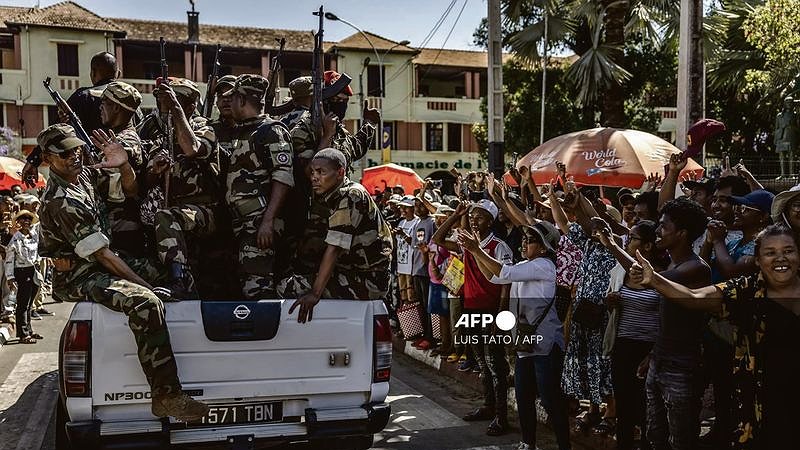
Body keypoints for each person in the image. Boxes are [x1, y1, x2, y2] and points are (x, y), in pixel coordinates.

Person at [35, 123, 208, 421]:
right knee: (145, 301)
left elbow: (129, 190)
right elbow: (103, 255)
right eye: (64, 154)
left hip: (99, 261)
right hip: (79, 274)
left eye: (76, 148)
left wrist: (125, 164)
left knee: (170, 271)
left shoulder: (84, 175)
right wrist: (145, 286)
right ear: (48, 159)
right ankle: (166, 395)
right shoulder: (61, 201)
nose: (74, 156)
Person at [630, 224, 800, 450]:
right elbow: (695, 296)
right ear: (757, 260)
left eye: (788, 251)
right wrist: (655, 280)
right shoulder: (746, 291)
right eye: (770, 253)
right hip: (765, 408)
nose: (781, 258)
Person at [461, 221, 571, 450]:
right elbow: (496, 277)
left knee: (550, 401)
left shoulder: (543, 265)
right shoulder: (526, 264)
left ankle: (564, 446)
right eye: (524, 238)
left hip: (546, 345)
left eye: (530, 239)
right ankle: (527, 443)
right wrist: (476, 254)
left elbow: (504, 272)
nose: (524, 242)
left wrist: (476, 250)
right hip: (526, 344)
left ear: (543, 247)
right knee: (523, 397)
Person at [279, 148, 392, 321]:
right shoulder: (333, 195)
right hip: (352, 272)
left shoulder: (351, 195)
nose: (314, 177)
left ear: (340, 172)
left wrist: (315, 294)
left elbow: (334, 248)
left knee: (285, 287)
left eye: (321, 172)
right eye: (313, 172)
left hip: (368, 280)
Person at [432, 198, 513, 436]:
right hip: (471, 309)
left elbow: (506, 284)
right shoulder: (467, 244)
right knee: (482, 363)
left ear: (491, 220)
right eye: (473, 216)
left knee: (496, 365)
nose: (474, 221)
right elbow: (437, 240)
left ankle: (502, 416)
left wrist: (501, 316)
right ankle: (488, 406)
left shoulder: (499, 246)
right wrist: (456, 215)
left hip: (492, 312)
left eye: (479, 217)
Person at [221, 74, 293, 298]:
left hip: (259, 222)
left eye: (232, 98)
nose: (228, 103)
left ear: (242, 100)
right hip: (240, 223)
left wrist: (268, 221)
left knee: (257, 289)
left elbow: (283, 177)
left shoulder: (270, 131)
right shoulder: (242, 130)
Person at [147, 78, 220, 299]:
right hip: (178, 212)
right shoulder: (163, 135)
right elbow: (148, 182)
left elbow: (192, 148)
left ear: (189, 105)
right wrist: (155, 169)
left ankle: (179, 281)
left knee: (166, 217)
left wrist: (176, 111)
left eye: (174, 102)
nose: (166, 108)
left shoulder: (205, 128)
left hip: (205, 211)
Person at [594, 219, 662, 450]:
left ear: (649, 246)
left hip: (648, 349)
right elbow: (611, 299)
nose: (628, 242)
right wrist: (610, 301)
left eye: (633, 238)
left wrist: (653, 353)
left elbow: (667, 318)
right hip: (622, 345)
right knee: (624, 405)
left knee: (646, 408)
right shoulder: (622, 272)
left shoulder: (662, 274)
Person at [97, 81, 148, 257]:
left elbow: (118, 190)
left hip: (121, 229)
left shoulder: (126, 141)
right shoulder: (118, 139)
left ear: (117, 108)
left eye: (104, 102)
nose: (100, 107)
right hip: (116, 227)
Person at [66, 51, 128, 135]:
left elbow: (61, 133)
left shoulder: (82, 97)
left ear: (93, 72)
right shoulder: (129, 99)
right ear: (118, 74)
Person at [5, 210, 42, 344]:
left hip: (33, 270)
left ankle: (29, 330)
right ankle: (23, 334)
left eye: (28, 219)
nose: (26, 221)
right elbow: (9, 259)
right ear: (19, 222)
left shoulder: (34, 236)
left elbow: (38, 252)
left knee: (30, 303)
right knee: (23, 303)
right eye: (23, 219)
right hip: (21, 271)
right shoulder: (15, 238)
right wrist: (10, 277)